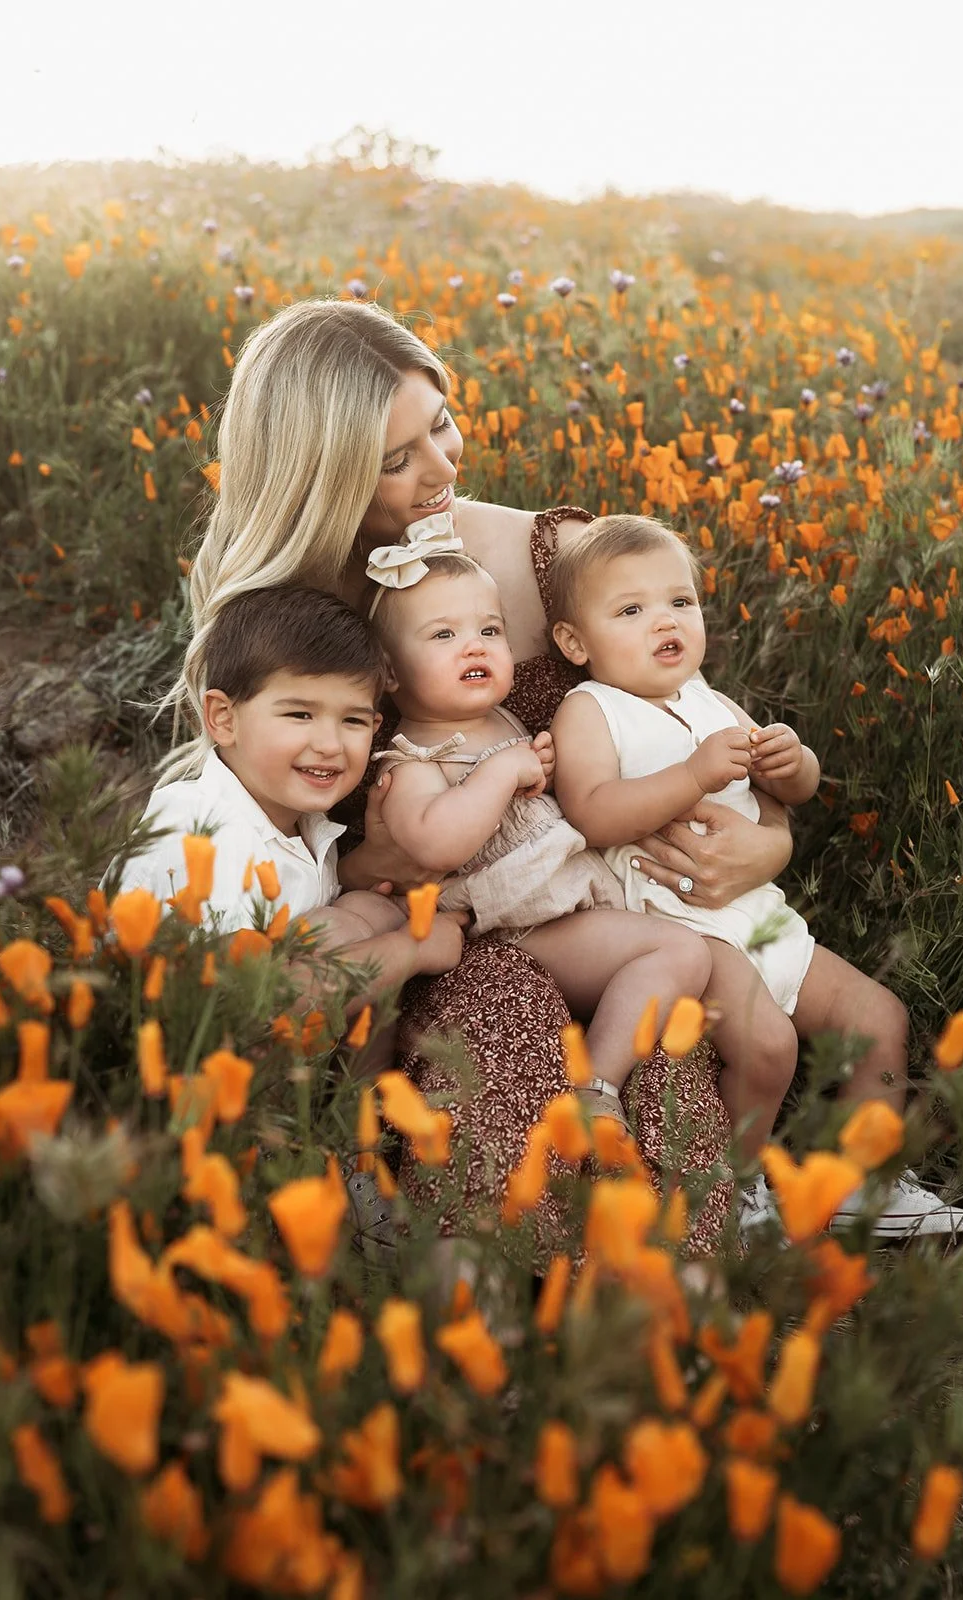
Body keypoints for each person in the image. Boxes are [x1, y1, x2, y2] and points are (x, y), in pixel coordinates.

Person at [173, 297, 820, 1255]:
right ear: (321, 474)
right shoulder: (281, 623)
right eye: (395, 459)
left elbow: (692, 718)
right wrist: (380, 860)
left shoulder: (550, 553)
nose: (440, 468)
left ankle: (668, 1297)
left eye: (439, 423)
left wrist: (770, 841)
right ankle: (484, 1294)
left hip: (603, 911)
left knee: (659, 1095)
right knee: (502, 1075)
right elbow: (269, 835)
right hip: (431, 935)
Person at [548, 515, 963, 1236]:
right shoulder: (590, 710)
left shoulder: (710, 700)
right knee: (768, 1046)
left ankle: (855, 1180)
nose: (665, 622)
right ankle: (736, 1196)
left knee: (878, 1017)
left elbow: (788, 797)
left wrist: (792, 759)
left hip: (761, 915)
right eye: (631, 610)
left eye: (679, 602)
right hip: (676, 922)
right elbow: (591, 813)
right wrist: (690, 774)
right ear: (573, 642)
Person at [365, 530, 743, 1132]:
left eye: (490, 631)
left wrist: (533, 760)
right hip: (511, 932)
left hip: (567, 906)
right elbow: (433, 843)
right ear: (388, 671)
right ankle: (596, 1085)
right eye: (444, 635)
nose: (475, 648)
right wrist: (501, 774)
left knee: (682, 953)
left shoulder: (508, 719)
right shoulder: (412, 759)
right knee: (677, 951)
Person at [115, 583, 465, 1001]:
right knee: (352, 928)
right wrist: (414, 949)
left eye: (352, 721)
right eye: (300, 714)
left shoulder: (301, 821)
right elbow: (259, 1003)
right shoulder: (203, 833)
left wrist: (371, 870)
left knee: (369, 911)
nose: (330, 745)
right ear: (224, 719)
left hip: (270, 1046)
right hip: (174, 1043)